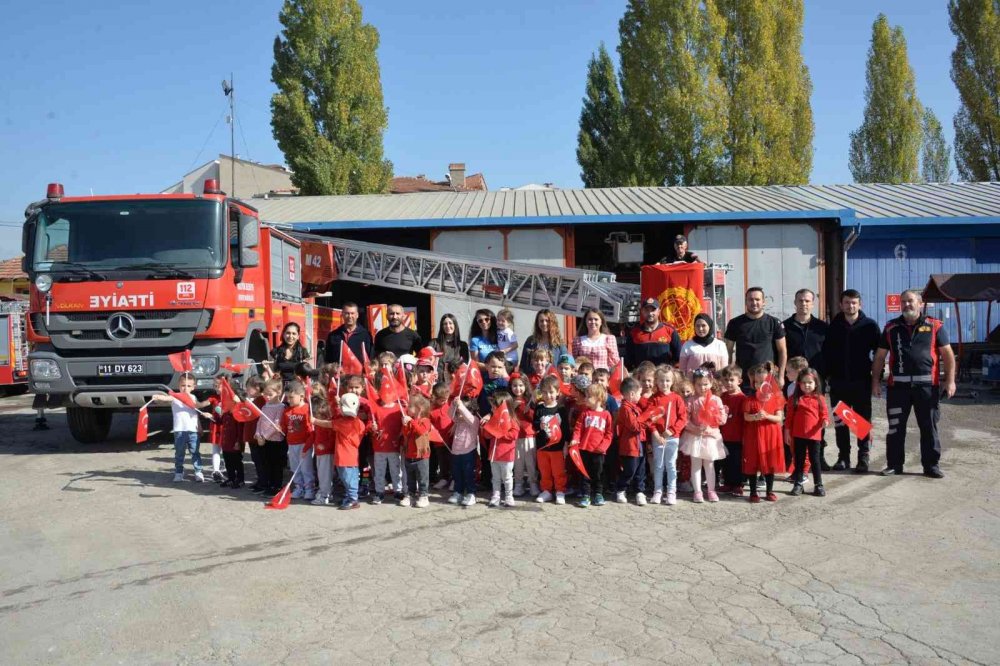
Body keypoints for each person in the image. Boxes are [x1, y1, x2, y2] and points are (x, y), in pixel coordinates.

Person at [872, 289, 956, 479]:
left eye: (910, 301)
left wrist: (949, 381)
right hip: (897, 389)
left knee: (929, 427)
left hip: (927, 388)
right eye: (903, 302)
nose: (906, 305)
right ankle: (894, 465)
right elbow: (879, 357)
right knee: (895, 428)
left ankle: (931, 466)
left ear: (920, 303)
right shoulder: (891, 328)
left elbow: (948, 355)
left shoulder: (935, 326)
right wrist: (875, 382)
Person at [822, 289, 880, 473]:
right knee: (842, 422)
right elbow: (826, 353)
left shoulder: (870, 326)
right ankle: (843, 458)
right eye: (847, 302)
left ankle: (863, 458)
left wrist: (876, 379)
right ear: (841, 305)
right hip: (839, 382)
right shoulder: (833, 327)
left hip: (861, 381)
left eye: (854, 302)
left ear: (860, 304)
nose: (850, 306)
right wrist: (829, 376)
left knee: (861, 422)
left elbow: (879, 354)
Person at [724, 287, 788, 387]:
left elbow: (782, 351)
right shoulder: (735, 323)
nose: (754, 302)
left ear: (763, 302)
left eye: (757, 299)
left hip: (768, 378)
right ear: (746, 302)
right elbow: (728, 350)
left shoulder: (774, 323)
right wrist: (728, 375)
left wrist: (781, 376)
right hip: (743, 379)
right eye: (750, 299)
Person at [681, 368, 728, 503]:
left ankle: (711, 490)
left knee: (710, 464)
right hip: (695, 437)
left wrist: (720, 417)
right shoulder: (691, 400)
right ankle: (697, 491)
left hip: (711, 437)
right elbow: (685, 419)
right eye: (699, 384)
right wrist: (695, 428)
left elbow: (722, 419)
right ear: (693, 384)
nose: (702, 387)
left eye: (705, 384)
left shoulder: (716, 399)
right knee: (695, 465)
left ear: (711, 383)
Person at [152, 372, 207, 483]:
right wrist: (158, 397)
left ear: (193, 387)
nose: (185, 388)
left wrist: (200, 427)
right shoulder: (175, 397)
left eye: (188, 386)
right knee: (179, 453)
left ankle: (198, 472)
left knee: (195, 452)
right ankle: (178, 472)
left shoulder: (193, 397)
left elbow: (196, 413)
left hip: (193, 430)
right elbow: (167, 398)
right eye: (183, 385)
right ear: (179, 385)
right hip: (179, 430)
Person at [743, 363, 785, 503]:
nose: (761, 385)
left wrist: (767, 415)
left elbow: (779, 418)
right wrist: (755, 417)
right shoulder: (750, 399)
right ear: (754, 383)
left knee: (769, 463)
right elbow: (746, 416)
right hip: (754, 435)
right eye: (757, 382)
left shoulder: (776, 399)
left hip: (770, 435)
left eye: (764, 382)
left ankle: (769, 491)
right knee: (753, 463)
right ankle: (753, 492)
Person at [646, 367, 687, 506]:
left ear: (672, 381)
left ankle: (671, 492)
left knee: (670, 465)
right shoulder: (653, 399)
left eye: (667, 380)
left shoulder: (677, 398)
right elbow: (649, 419)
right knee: (658, 465)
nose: (665, 383)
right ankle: (658, 491)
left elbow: (683, 418)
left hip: (672, 437)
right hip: (658, 437)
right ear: (657, 381)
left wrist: (673, 430)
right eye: (662, 381)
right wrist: (656, 434)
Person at [785, 368, 829, 497]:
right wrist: (787, 432)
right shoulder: (794, 399)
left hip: (814, 435)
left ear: (816, 383)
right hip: (798, 435)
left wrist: (825, 421)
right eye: (804, 382)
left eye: (810, 382)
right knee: (799, 460)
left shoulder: (820, 398)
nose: (807, 385)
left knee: (815, 461)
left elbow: (824, 414)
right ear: (799, 384)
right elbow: (789, 418)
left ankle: (818, 485)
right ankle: (798, 484)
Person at [571, 383, 614, 508]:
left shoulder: (606, 415)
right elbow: (578, 428)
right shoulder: (585, 413)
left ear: (598, 398)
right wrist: (575, 439)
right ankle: (586, 495)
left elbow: (609, 433)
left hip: (599, 451)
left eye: (589, 396)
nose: (585, 398)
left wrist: (604, 446)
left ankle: (598, 494)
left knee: (598, 473)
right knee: (585, 473)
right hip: (584, 449)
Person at [533, 375, 569, 504]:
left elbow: (565, 429)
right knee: (544, 470)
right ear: (541, 393)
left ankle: (560, 491)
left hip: (557, 447)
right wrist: (539, 425)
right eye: (545, 392)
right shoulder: (539, 408)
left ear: (558, 392)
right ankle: (546, 490)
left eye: (551, 392)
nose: (548, 395)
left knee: (558, 470)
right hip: (542, 447)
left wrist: (566, 444)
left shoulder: (560, 409)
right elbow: (534, 424)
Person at [481, 390, 520, 507]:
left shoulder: (511, 420)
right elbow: (487, 436)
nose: (492, 409)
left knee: (507, 477)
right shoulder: (493, 420)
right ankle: (496, 496)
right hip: (494, 455)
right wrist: (486, 427)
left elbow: (514, 434)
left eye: (494, 407)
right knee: (496, 478)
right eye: (492, 407)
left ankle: (509, 497)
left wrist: (501, 433)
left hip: (506, 455)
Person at [369, 380, 406, 505]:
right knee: (379, 471)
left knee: (396, 470)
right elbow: (370, 423)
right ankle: (379, 492)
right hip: (379, 446)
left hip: (394, 446)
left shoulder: (398, 409)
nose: (387, 396)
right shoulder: (376, 409)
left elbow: (404, 425)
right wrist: (372, 427)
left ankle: (398, 490)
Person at [281, 381, 315, 501]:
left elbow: (311, 429)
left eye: (291, 397)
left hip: (304, 443)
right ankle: (298, 487)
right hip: (292, 444)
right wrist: (278, 428)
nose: (288, 400)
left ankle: (309, 488)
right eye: (287, 397)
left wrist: (307, 445)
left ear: (301, 396)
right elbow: (284, 427)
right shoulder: (287, 411)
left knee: (306, 468)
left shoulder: (307, 409)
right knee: (295, 468)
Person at [332, 393, 367, 510]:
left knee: (348, 479)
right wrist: (338, 405)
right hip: (349, 457)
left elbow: (329, 423)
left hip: (345, 458)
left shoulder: (343, 423)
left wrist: (315, 420)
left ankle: (353, 499)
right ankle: (350, 496)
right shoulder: (359, 423)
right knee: (349, 478)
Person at [614, 377, 646, 505]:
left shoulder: (635, 407)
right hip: (630, 446)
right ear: (632, 394)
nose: (640, 396)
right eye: (639, 393)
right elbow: (635, 427)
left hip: (639, 444)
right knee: (630, 470)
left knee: (640, 470)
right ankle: (621, 489)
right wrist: (649, 419)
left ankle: (640, 491)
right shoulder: (626, 409)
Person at [626, 297, 682, 369]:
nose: (650, 313)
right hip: (642, 377)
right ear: (642, 312)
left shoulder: (670, 331)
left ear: (659, 311)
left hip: (663, 377)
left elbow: (678, 356)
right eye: (647, 310)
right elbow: (629, 359)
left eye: (653, 310)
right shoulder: (633, 333)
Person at [783, 289, 829, 375]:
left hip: (816, 377)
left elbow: (829, 352)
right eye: (800, 300)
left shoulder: (822, 327)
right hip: (792, 377)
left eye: (807, 301)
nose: (803, 303)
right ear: (795, 302)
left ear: (812, 304)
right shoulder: (784, 327)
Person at [254, 378, 288, 495]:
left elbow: (276, 424)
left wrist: (265, 437)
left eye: (270, 394)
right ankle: (268, 484)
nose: (267, 397)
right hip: (263, 440)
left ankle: (276, 486)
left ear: (278, 392)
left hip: (275, 441)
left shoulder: (281, 407)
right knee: (266, 463)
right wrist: (258, 434)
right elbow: (260, 421)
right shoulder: (265, 406)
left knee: (276, 465)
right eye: (266, 394)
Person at [400, 393, 433, 508]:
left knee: (422, 478)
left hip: (421, 457)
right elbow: (405, 434)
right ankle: (410, 495)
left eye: (410, 406)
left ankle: (424, 496)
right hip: (409, 455)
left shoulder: (426, 421)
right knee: (410, 479)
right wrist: (405, 425)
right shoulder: (410, 421)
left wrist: (411, 422)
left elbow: (420, 431)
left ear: (420, 408)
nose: (407, 408)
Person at [509, 373, 538, 497]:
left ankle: (533, 484)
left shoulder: (529, 400)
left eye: (521, 385)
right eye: (514, 385)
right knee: (518, 462)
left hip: (528, 436)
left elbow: (535, 418)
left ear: (525, 386)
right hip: (515, 436)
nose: (518, 388)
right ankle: (519, 484)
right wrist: (512, 408)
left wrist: (528, 411)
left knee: (531, 462)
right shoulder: (508, 401)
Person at [448, 395, 481, 507]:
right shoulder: (457, 421)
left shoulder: (474, 421)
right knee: (457, 474)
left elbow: (468, 416)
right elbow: (450, 414)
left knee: (468, 474)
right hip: (456, 452)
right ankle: (458, 492)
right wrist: (454, 404)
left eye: (462, 410)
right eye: (458, 411)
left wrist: (461, 406)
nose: (459, 413)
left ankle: (471, 493)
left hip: (468, 452)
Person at [718, 365, 746, 495]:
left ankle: (738, 484)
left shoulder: (742, 398)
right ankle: (728, 482)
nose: (728, 383)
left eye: (731, 380)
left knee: (736, 461)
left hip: (737, 435)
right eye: (725, 380)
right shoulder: (722, 397)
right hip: (723, 435)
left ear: (739, 381)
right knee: (725, 460)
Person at [519, 309, 568, 375]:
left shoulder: (559, 343)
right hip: (532, 379)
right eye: (541, 321)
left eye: (547, 321)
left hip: (552, 380)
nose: (544, 323)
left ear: (552, 322)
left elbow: (565, 362)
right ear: (538, 323)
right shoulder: (530, 340)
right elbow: (523, 364)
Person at [429, 313, 469, 382]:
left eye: (450, 323)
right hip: (437, 383)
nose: (448, 326)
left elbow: (465, 365)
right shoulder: (434, 343)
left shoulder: (462, 345)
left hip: (455, 382)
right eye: (445, 324)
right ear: (442, 326)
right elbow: (427, 362)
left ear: (455, 325)